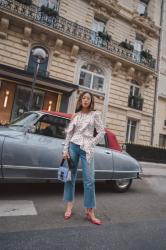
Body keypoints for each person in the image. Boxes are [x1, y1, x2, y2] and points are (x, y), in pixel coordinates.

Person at [63, 91, 105, 225]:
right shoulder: (75, 115)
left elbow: (102, 132)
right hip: (74, 146)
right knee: (70, 177)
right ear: (80, 100)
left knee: (89, 180)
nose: (85, 100)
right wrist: (65, 150)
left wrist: (91, 142)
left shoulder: (95, 115)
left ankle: (90, 211)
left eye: (88, 98)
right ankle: (69, 206)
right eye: (83, 98)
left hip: (87, 149)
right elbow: (69, 134)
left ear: (91, 101)